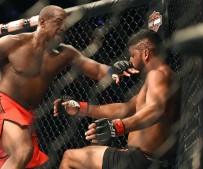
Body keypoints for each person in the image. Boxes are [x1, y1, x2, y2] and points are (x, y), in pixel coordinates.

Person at [0, 5, 139, 169]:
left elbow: (94, 68)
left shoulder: (65, 53)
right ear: (43, 22)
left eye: (65, 23)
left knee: (29, 162)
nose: (63, 27)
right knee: (22, 151)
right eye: (58, 21)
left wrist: (113, 70)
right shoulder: (14, 43)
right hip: (1, 103)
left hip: (26, 114)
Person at [53, 29, 180, 169]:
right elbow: (123, 109)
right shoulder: (161, 79)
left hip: (141, 160)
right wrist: (80, 108)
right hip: (141, 159)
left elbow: (157, 109)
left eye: (132, 55)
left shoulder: (157, 74)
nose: (130, 60)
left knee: (70, 157)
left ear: (145, 53)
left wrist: (117, 127)